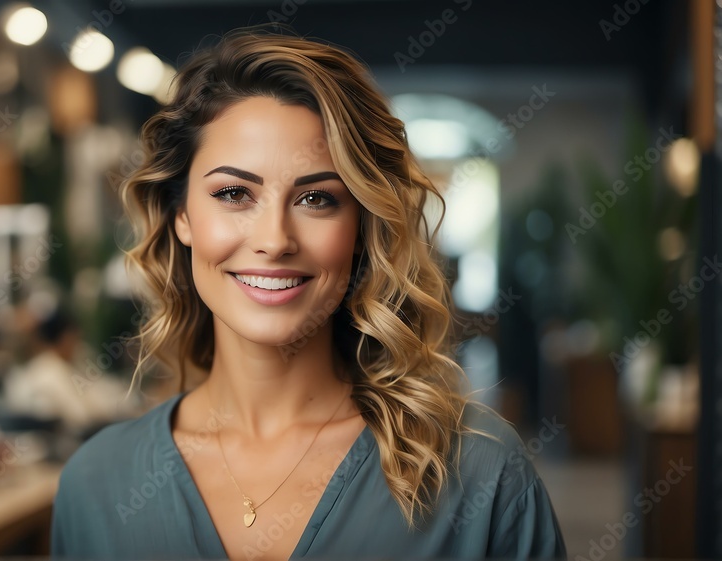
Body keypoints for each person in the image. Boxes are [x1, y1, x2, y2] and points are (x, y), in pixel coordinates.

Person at [50, 26, 566, 560]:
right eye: (233, 194)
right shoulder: (96, 487)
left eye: (317, 198)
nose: (274, 241)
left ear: (362, 226)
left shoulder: (480, 473)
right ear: (181, 215)